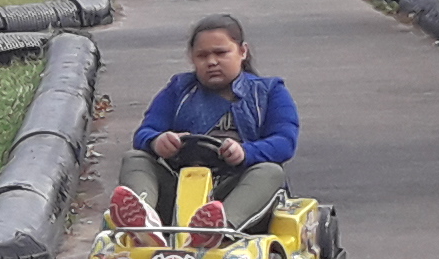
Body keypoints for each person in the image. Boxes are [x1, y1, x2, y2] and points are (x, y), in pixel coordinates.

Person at [105, 14, 301, 233]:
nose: (212, 62)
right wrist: (157, 141)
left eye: (221, 53)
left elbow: (285, 141)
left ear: (242, 52)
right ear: (192, 58)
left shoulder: (269, 91)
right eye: (202, 56)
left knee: (271, 171)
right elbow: (145, 132)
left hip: (238, 186)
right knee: (135, 158)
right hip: (180, 187)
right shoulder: (179, 89)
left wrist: (246, 152)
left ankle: (219, 228)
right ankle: (143, 223)